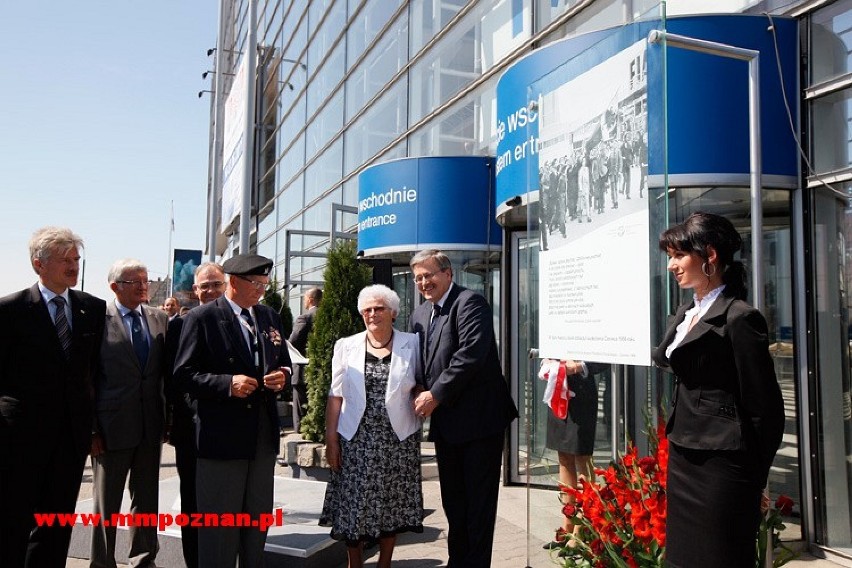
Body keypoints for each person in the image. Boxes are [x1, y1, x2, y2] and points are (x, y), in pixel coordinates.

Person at [653, 212, 785, 568]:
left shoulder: (740, 318)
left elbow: (766, 411)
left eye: (679, 255)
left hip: (723, 467)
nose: (672, 266)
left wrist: (755, 480)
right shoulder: (684, 313)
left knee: (719, 558)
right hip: (683, 457)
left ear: (709, 255)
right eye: (670, 257)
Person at [174, 253, 290, 568]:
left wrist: (283, 376)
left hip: (262, 436)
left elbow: (284, 361)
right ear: (234, 282)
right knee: (220, 527)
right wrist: (227, 383)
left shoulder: (268, 316)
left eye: (266, 284)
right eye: (256, 284)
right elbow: (184, 375)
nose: (262, 291)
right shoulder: (203, 318)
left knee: (256, 520)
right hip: (221, 437)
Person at [0, 227, 106, 568]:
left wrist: (92, 429)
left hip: (70, 440)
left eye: (76, 258)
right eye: (64, 260)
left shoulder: (92, 308)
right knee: (13, 523)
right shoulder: (10, 310)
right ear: (38, 265)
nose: (73, 266)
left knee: (56, 525)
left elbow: (93, 375)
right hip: (20, 438)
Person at [408, 249, 518, 568]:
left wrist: (434, 395)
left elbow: (470, 355)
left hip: (479, 424)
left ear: (447, 274)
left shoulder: (470, 303)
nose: (424, 282)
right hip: (446, 426)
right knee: (454, 504)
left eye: (429, 275)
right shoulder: (419, 316)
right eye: (418, 278)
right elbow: (420, 364)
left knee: (478, 507)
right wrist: (415, 386)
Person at [319, 284, 423, 568]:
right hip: (356, 438)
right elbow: (335, 394)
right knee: (354, 505)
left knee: (391, 505)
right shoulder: (346, 345)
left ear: (393, 313)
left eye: (379, 308)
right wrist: (331, 439)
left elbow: (422, 383)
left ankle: (385, 563)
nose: (372, 314)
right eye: (367, 310)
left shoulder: (412, 344)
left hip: (398, 439)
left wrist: (421, 396)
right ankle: (355, 563)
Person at [90, 259, 168, 568]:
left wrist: (168, 420)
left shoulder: (160, 318)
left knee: (146, 500)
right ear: (114, 286)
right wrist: (92, 430)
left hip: (150, 426)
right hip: (111, 429)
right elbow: (88, 380)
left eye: (145, 280)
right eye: (135, 281)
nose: (143, 286)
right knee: (106, 503)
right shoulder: (97, 320)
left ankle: (144, 559)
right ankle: (102, 562)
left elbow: (164, 375)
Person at [164, 262, 225, 568]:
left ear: (225, 285)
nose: (210, 291)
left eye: (216, 284)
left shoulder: (240, 323)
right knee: (192, 499)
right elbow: (171, 378)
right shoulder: (177, 326)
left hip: (230, 430)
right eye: (204, 286)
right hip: (191, 429)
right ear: (195, 291)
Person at [539, 359, 608, 549]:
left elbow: (604, 360)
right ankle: (567, 526)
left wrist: (577, 367)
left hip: (582, 395)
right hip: (558, 390)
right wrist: (548, 361)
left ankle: (582, 529)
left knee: (582, 458)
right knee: (564, 458)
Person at [288, 287, 322, 434]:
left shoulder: (305, 318)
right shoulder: (327, 316)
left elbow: (293, 341)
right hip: (322, 369)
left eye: (304, 298)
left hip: (302, 368)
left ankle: (302, 432)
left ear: (310, 299)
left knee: (300, 404)